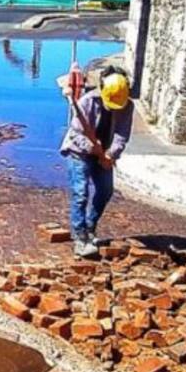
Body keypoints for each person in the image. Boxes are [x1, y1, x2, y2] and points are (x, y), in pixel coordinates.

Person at [59, 69, 133, 258]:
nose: (114, 107)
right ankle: (80, 237)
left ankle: (90, 227)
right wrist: (93, 147)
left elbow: (122, 134)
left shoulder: (126, 105)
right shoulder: (87, 102)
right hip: (80, 152)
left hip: (104, 152)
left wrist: (110, 154)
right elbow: (76, 134)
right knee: (81, 193)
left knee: (106, 190)